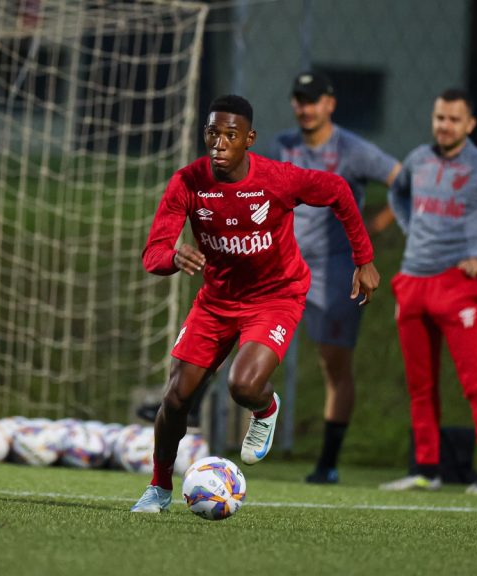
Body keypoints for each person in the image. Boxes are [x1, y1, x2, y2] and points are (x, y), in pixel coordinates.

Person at [131, 94, 380, 513]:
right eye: (213, 133)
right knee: (175, 398)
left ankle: (265, 408)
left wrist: (364, 258)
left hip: (276, 297)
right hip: (217, 300)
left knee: (243, 385)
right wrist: (174, 257)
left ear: (250, 138)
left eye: (231, 135)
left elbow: (337, 190)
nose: (220, 143)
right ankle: (159, 487)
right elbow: (152, 253)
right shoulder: (188, 183)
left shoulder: (277, 179)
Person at [380, 88, 477, 496]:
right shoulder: (418, 159)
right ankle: (426, 470)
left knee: (476, 384)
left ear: (470, 125)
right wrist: (410, 227)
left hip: (457, 284)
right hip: (412, 282)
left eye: (453, 119)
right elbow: (397, 192)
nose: (444, 126)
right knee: (420, 385)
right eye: (439, 118)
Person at [269, 71, 401, 484]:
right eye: (299, 100)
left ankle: (327, 463)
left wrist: (374, 226)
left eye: (313, 100)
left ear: (330, 103)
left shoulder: (352, 149)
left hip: (336, 270)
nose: (305, 108)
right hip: (282, 265)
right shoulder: (282, 146)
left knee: (333, 366)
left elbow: (403, 181)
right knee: (244, 341)